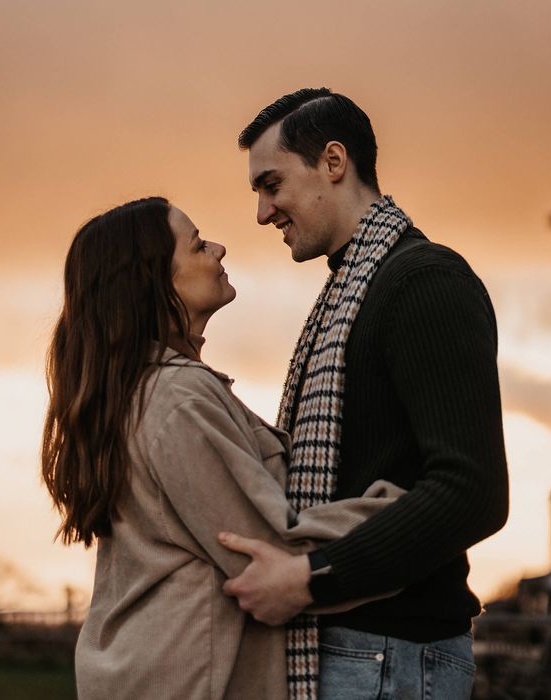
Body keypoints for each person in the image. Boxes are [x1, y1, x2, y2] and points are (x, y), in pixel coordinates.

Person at [40, 196, 405, 700]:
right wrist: (413, 510)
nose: (219, 248)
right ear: (154, 281)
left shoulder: (138, 393)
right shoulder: (176, 400)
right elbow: (274, 551)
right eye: (197, 245)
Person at [218, 88, 509, 699]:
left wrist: (312, 578)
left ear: (332, 162)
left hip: (392, 658)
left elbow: (473, 491)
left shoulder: (425, 281)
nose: (264, 212)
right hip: (361, 655)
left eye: (272, 185)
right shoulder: (349, 293)